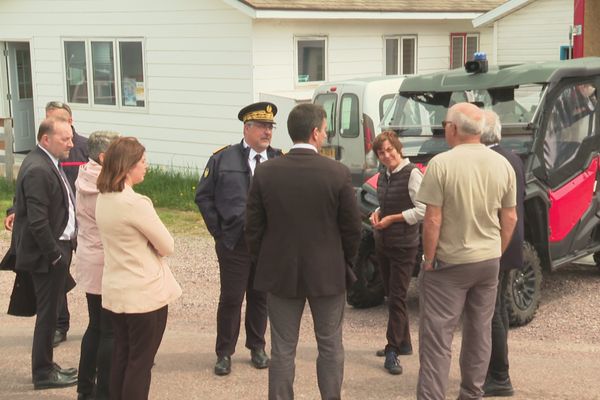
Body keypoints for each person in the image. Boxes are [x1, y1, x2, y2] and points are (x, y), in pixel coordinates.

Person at [245, 103, 362, 399]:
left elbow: (253, 229)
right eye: (324, 130)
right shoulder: (337, 172)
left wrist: (267, 260)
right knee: (330, 345)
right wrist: (345, 260)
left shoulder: (266, 172)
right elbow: (352, 229)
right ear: (314, 133)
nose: (325, 135)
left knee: (282, 348)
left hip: (280, 271)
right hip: (328, 272)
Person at [415, 102, 517, 400]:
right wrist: (496, 251)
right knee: (479, 332)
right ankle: (471, 393)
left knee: (437, 339)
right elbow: (509, 217)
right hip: (487, 261)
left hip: (450, 262)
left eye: (445, 123)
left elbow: (433, 219)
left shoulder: (442, 163)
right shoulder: (502, 164)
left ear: (454, 128)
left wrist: (429, 259)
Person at [195, 101, 282, 376]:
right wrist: (218, 232)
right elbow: (204, 196)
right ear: (247, 128)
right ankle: (224, 353)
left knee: (260, 298)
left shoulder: (280, 160)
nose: (267, 132)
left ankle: (257, 346)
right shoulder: (223, 158)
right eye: (262, 126)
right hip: (234, 242)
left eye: (270, 127)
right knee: (232, 298)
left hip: (267, 244)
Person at [95, 137, 181, 400]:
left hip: (116, 292)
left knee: (123, 354)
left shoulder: (103, 198)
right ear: (128, 166)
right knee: (141, 363)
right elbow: (167, 245)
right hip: (144, 295)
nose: (146, 166)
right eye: (142, 162)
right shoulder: (134, 203)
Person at [2, 101, 89, 344]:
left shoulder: (83, 148)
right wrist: (15, 209)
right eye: (47, 118)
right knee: (54, 286)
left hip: (79, 226)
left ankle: (98, 325)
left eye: (55, 119)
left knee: (84, 276)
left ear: (69, 121)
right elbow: (29, 192)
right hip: (54, 231)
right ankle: (59, 327)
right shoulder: (42, 157)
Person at [370, 131, 425, 375]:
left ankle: (392, 349)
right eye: (381, 152)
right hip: (384, 242)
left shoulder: (412, 173)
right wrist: (378, 212)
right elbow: (388, 200)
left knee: (397, 297)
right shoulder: (384, 175)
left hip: (404, 245)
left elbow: (423, 209)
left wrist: (393, 218)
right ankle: (404, 343)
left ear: (398, 148)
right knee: (391, 295)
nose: (387, 155)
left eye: (390, 150)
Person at [481, 110, 525, 397]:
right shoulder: (513, 155)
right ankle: (497, 370)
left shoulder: (491, 160)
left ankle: (499, 375)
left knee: (493, 312)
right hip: (510, 243)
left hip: (496, 243)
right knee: (500, 311)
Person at [75, 131, 120, 400]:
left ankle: (84, 387)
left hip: (90, 258)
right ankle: (103, 392)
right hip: (103, 262)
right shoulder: (103, 186)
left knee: (96, 326)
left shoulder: (86, 175)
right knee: (109, 331)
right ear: (104, 157)